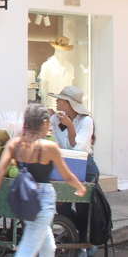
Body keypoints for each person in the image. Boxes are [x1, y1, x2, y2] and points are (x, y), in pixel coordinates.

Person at [0, 103, 86, 257]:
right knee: (28, 248)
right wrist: (80, 187)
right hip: (43, 201)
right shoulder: (49, 147)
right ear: (44, 123)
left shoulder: (14, 144)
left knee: (48, 247)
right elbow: (67, 175)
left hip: (24, 199)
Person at [48, 86, 98, 256]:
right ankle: (80, 237)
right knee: (62, 207)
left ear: (69, 103)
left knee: (83, 208)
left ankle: (85, 247)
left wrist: (69, 126)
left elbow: (78, 149)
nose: (56, 101)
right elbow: (55, 143)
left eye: (60, 99)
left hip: (85, 167)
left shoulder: (86, 121)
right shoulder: (55, 119)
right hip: (65, 165)